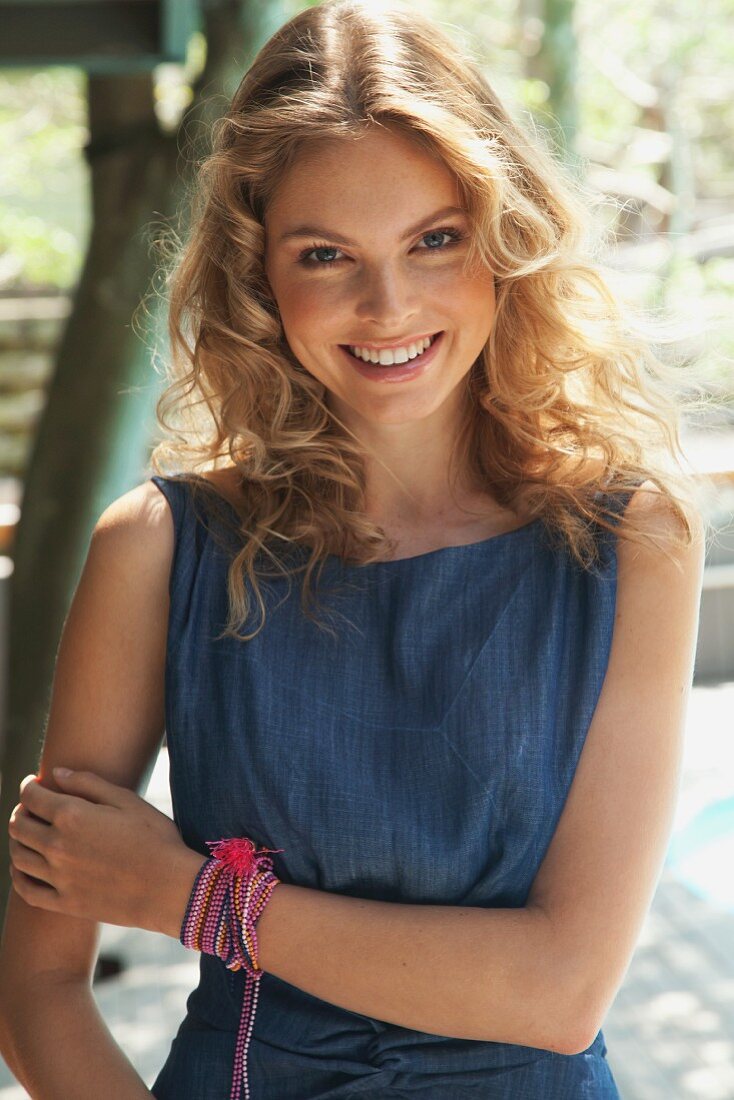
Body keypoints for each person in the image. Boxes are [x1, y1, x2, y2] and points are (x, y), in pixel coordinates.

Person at [0, 0, 710, 1097]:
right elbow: (36, 986)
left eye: (434, 239)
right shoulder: (157, 549)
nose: (388, 306)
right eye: (326, 254)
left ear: (503, 238)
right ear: (257, 275)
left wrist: (189, 897)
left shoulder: (625, 541)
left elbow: (557, 989)